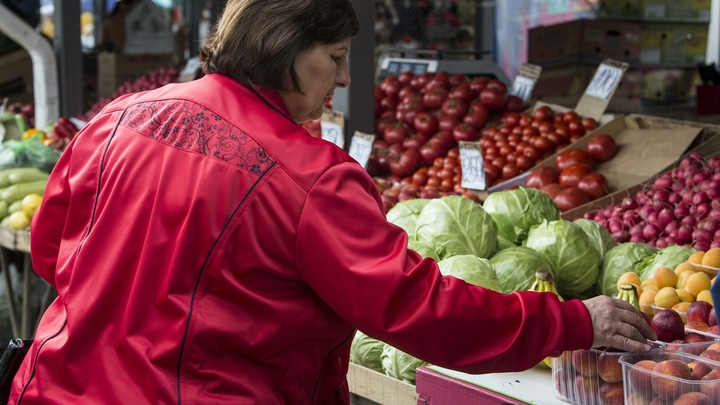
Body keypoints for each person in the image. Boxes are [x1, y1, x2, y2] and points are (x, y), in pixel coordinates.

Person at [10, 0, 656, 404]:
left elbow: (50, 251)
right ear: (284, 46)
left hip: (57, 388)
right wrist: (569, 322)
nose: (346, 79)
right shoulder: (309, 174)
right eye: (337, 56)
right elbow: (415, 309)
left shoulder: (121, 115)